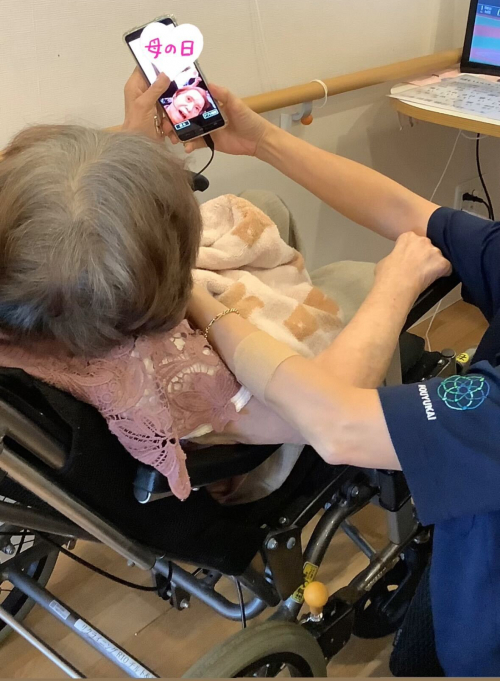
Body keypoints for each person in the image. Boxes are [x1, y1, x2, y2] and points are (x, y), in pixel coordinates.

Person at [158, 74, 500, 677]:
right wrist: (261, 139)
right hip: (468, 529)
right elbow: (409, 213)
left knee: (428, 660)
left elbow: (336, 425)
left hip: (482, 623)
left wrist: (198, 299)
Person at [0, 74, 445, 509]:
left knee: (263, 205)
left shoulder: (37, 313)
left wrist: (129, 155)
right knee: (357, 277)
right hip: (274, 428)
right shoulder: (176, 375)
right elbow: (331, 414)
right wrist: (396, 284)